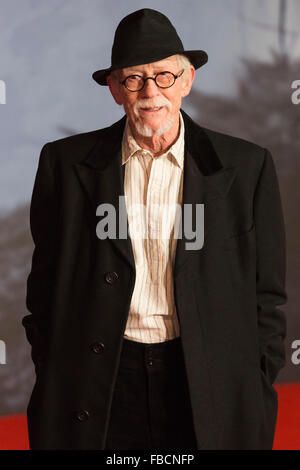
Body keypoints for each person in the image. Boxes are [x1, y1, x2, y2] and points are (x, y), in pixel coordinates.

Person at [22, 8, 287, 450]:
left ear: (186, 81)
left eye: (164, 76)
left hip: (207, 379)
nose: (150, 92)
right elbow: (45, 284)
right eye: (134, 79)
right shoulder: (64, 164)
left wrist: (256, 374)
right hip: (100, 379)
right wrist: (53, 365)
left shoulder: (246, 166)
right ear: (114, 89)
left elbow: (268, 294)